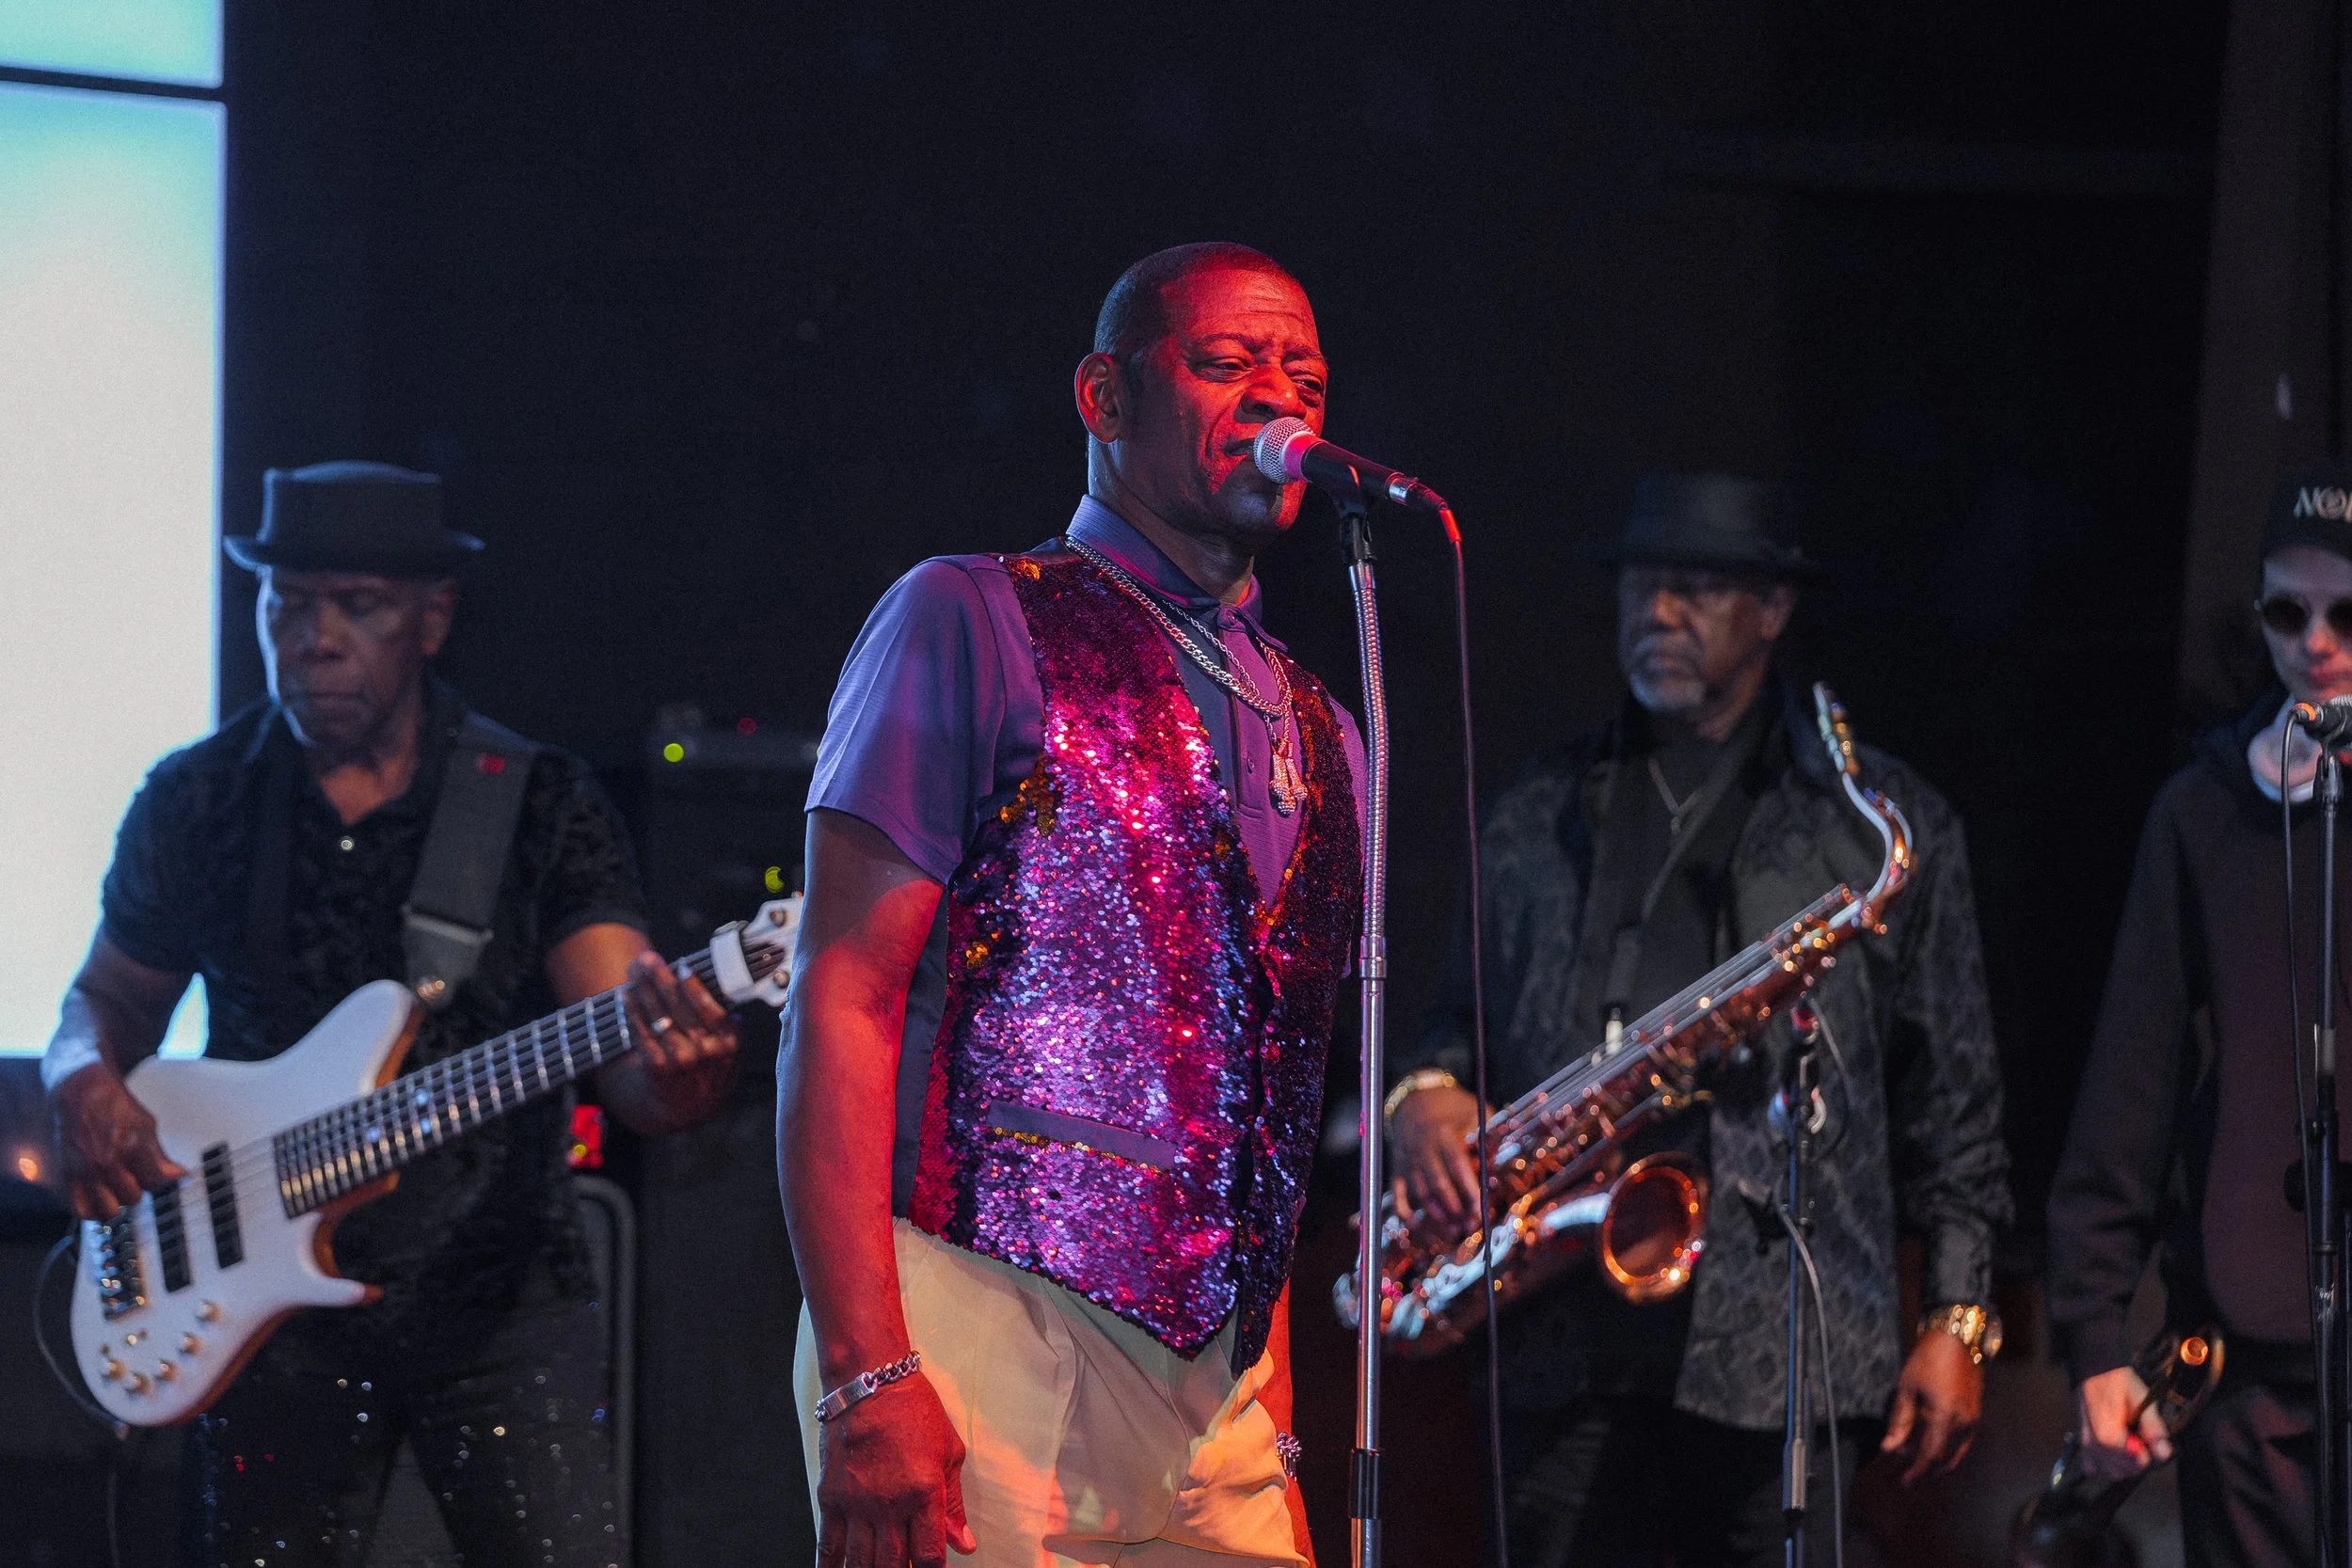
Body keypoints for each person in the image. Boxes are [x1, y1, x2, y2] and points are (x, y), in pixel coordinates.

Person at [778, 242, 1364, 1568]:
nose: (1277, 398)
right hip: (986, 1313)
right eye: (1225, 364)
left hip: (1221, 1382)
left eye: (1306, 378)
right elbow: (843, 996)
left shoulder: (1328, 725)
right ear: (1103, 396)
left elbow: (1266, 1096)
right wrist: (869, 1372)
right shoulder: (969, 615)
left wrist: (1273, 1404)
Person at [41, 462, 740, 1568]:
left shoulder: (538, 797)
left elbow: (636, 1061)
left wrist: (685, 1065)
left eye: (355, 605)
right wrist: (78, 1076)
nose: (312, 637)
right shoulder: (196, 797)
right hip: (267, 1322)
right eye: (286, 601)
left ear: (432, 618)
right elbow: (109, 1000)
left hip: (501, 1307)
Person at [1391, 474, 2011, 1567]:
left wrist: (1956, 1316)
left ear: (1772, 610)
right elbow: (1453, 1024)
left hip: (1781, 1357)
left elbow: (1956, 1108)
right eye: (1642, 586)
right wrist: (1424, 1096)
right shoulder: (1537, 809)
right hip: (1559, 1345)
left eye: (1697, 590)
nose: (1659, 614)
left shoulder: (1877, 829)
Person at [2046, 462, 2352, 1566]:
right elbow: (2131, 1078)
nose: (2313, 641)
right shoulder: (2206, 811)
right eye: (2286, 609)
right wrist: (2091, 1330)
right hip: (2250, 1368)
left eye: (2343, 612)